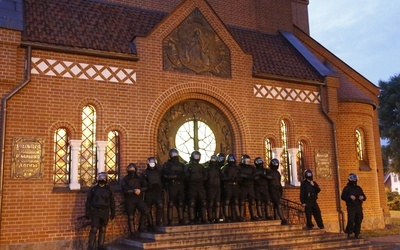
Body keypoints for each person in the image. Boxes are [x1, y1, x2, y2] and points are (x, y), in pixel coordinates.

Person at [85, 172, 116, 250]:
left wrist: (113, 211)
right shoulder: (93, 189)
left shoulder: (109, 189)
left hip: (105, 210)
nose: (102, 180)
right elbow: (88, 201)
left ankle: (100, 246)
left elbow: (112, 201)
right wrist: (87, 212)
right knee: (94, 229)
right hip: (96, 211)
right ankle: (91, 247)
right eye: (101, 178)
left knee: (103, 228)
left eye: (104, 178)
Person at [121, 163, 152, 237]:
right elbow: (124, 189)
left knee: (146, 211)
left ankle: (146, 226)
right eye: (130, 169)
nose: (132, 170)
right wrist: (133, 191)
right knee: (131, 216)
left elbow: (146, 186)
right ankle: (133, 233)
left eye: (133, 169)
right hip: (130, 199)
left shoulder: (139, 178)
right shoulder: (125, 179)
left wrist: (140, 190)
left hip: (138, 199)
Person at [162, 148, 186, 225]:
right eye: (173, 154)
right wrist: (173, 177)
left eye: (176, 154)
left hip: (180, 185)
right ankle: (169, 220)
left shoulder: (181, 164)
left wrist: (179, 177)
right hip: (171, 185)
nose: (175, 156)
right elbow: (164, 175)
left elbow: (185, 175)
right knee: (171, 203)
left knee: (180, 203)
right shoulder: (167, 164)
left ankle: (181, 219)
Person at [184, 150, 208, 224]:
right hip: (192, 187)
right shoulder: (188, 166)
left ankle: (203, 218)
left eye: (198, 156)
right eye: (196, 156)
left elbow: (205, 176)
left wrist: (201, 179)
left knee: (203, 203)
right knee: (192, 203)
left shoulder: (201, 166)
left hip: (200, 186)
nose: (197, 158)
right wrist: (191, 179)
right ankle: (192, 219)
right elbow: (185, 176)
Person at [341, 173, 366, 238]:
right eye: (353, 179)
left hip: (358, 206)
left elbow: (364, 196)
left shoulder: (358, 188)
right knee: (351, 220)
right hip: (351, 206)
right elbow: (343, 196)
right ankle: (348, 232)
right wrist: (349, 197)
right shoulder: (347, 188)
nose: (355, 180)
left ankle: (357, 233)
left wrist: (362, 197)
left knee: (359, 219)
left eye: (355, 179)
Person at [141, 157, 164, 228]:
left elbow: (162, 180)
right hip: (149, 192)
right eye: (150, 162)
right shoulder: (145, 173)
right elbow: (143, 182)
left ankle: (158, 221)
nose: (152, 163)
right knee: (148, 208)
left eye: (153, 162)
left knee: (160, 205)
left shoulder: (159, 172)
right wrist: (147, 185)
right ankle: (150, 224)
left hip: (157, 192)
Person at [220, 154, 242, 222]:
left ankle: (238, 216)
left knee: (236, 201)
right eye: (230, 159)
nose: (232, 160)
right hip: (228, 185)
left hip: (235, 186)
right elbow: (222, 177)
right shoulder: (225, 167)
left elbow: (240, 175)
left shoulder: (237, 167)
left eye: (233, 159)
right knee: (227, 201)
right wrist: (229, 179)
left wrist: (237, 179)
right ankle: (226, 216)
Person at [238, 154, 259, 221]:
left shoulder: (251, 168)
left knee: (252, 201)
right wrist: (246, 176)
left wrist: (251, 177)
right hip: (243, 186)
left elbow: (256, 175)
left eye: (248, 160)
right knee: (241, 202)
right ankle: (241, 216)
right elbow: (239, 175)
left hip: (250, 186)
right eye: (246, 160)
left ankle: (253, 215)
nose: (247, 162)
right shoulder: (239, 167)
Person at [267, 158, 287, 225]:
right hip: (272, 189)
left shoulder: (277, 173)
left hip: (277, 189)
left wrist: (281, 190)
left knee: (277, 204)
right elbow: (268, 179)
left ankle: (277, 217)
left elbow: (279, 182)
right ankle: (282, 218)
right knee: (278, 204)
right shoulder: (269, 172)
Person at [205, 155, 222, 223]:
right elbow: (205, 178)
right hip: (210, 187)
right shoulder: (207, 169)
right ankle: (210, 217)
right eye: (212, 159)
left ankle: (217, 217)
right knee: (211, 203)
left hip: (217, 187)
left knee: (217, 203)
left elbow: (221, 177)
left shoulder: (218, 169)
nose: (214, 160)